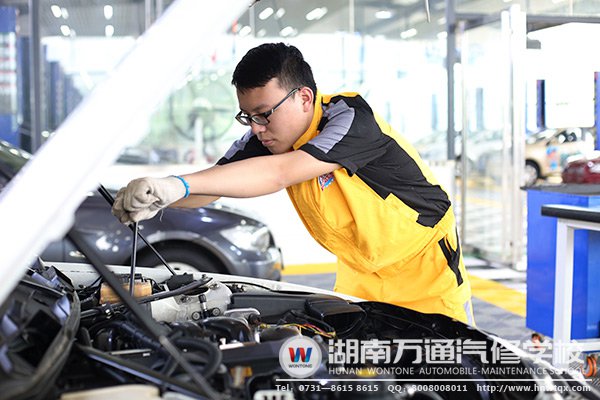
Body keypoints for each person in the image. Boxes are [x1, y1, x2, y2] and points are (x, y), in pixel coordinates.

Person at [112, 42, 474, 325]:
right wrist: (159, 196)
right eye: (247, 117)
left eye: (264, 114)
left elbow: (281, 173)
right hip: (361, 271)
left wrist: (177, 184)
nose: (256, 128)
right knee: (363, 372)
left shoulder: (350, 120)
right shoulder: (267, 137)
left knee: (444, 371)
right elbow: (211, 186)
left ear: (303, 98)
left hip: (425, 272)